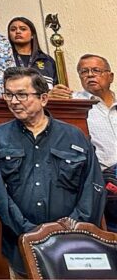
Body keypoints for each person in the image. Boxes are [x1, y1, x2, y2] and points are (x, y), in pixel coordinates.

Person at [0, 66, 104, 277]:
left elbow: (93, 186)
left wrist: (72, 227)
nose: (13, 101)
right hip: (21, 245)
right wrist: (29, 230)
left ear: (44, 98)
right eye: (8, 94)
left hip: (72, 245)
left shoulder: (74, 136)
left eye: (21, 94)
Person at [72, 54, 117, 230]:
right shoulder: (73, 104)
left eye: (96, 70)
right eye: (84, 72)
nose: (90, 75)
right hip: (102, 179)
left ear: (110, 76)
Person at [7, 16, 59, 89]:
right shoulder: (5, 58)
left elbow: (56, 89)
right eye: (13, 29)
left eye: (23, 29)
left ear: (32, 35)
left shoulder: (47, 61)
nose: (18, 32)